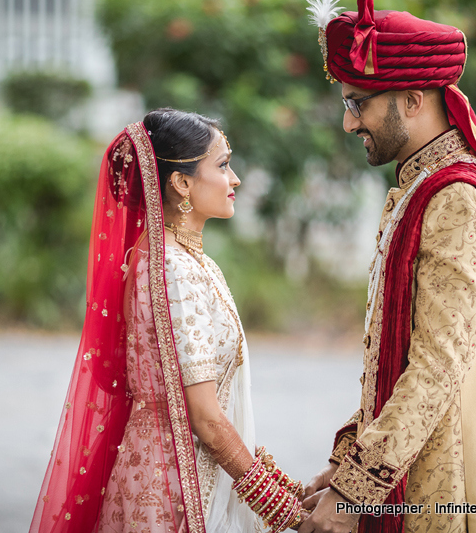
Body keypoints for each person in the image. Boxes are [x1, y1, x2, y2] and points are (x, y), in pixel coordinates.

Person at [299, 0, 476, 532]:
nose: (349, 123)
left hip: (452, 485)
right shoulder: (422, 187)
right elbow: (399, 362)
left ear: (413, 100)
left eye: (359, 103)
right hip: (417, 469)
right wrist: (350, 461)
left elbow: (437, 368)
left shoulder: (457, 199)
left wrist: (354, 493)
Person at [29, 108, 306, 533]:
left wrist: (288, 491)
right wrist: (286, 514)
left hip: (164, 472)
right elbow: (207, 419)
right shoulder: (172, 269)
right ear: (181, 183)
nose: (234, 180)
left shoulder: (173, 259)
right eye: (223, 165)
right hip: (173, 492)